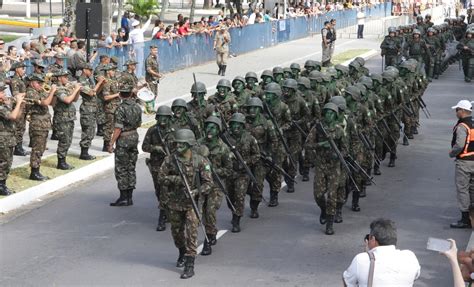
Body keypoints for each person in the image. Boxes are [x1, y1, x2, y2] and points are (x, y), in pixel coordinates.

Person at [158, 129, 213, 279]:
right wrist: (176, 180)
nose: (178, 146)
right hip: (174, 203)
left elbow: (209, 183)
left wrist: (197, 191)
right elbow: (161, 177)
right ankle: (181, 252)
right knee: (177, 233)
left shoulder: (200, 161)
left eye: (182, 144)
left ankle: (190, 264)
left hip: (192, 204)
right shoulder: (170, 160)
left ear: (189, 144)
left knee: (191, 233)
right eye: (177, 143)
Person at [343, 218, 421, 286]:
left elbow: (348, 282)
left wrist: (367, 254)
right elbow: (415, 276)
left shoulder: (361, 259)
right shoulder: (410, 257)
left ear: (373, 239)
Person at [108, 79, 142, 207]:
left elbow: (118, 128)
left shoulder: (120, 109)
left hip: (123, 139)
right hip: (134, 136)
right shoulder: (137, 107)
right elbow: (139, 123)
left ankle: (123, 197)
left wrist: (111, 143)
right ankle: (130, 197)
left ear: (121, 94)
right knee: (131, 167)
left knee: (121, 168)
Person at [449, 100, 474, 229]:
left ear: (463, 111)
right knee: (472, 188)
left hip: (464, 162)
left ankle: (465, 219)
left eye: (457, 110)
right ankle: (472, 216)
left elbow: (459, 145)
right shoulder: (472, 124)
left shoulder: (462, 126)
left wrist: (452, 153)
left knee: (463, 189)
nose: (456, 112)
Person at [26, 74, 55, 181]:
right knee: (37, 149)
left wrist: (54, 94)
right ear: (32, 82)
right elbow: (44, 103)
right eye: (38, 83)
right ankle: (34, 172)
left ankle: (37, 169)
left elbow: (51, 103)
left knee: (41, 148)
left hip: (44, 123)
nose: (41, 85)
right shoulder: (30, 92)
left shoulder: (40, 91)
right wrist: (52, 92)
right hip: (37, 124)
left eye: (41, 83)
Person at [0, 83, 25, 196]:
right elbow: (12, 116)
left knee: (8, 163)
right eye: (1, 92)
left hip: (9, 138)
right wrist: (18, 102)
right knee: (3, 163)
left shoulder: (4, 105)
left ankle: (3, 184)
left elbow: (17, 116)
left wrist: (21, 105)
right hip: (3, 139)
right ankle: (1, 186)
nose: (4, 94)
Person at [54, 70, 81, 170]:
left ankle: (63, 160)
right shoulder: (58, 89)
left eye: (67, 76)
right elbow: (67, 100)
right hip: (62, 119)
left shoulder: (66, 87)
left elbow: (74, 99)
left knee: (68, 140)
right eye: (64, 76)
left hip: (69, 118)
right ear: (59, 78)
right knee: (64, 140)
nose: (67, 78)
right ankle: (61, 162)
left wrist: (77, 91)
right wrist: (75, 89)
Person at [145, 45, 161, 114]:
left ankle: (151, 108)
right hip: (150, 79)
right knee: (151, 94)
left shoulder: (154, 58)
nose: (156, 52)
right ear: (151, 50)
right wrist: (157, 74)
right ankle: (149, 109)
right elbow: (149, 70)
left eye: (156, 50)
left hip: (155, 79)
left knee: (155, 94)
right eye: (154, 50)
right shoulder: (149, 59)